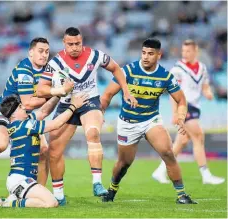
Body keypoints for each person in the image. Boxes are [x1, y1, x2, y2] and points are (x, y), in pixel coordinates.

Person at [35, 27, 137, 205]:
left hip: (89, 101)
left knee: (92, 133)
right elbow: (40, 88)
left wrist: (126, 91)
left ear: (82, 42)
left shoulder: (95, 56)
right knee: (54, 152)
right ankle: (59, 195)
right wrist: (59, 90)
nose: (74, 47)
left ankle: (97, 183)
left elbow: (116, 69)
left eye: (78, 43)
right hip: (67, 104)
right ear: (64, 43)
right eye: (70, 44)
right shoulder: (56, 62)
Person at [0, 37, 74, 187]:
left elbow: (41, 106)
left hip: (23, 115)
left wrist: (60, 92)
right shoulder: (24, 69)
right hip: (5, 112)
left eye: (46, 52)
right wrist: (57, 92)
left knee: (44, 150)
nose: (44, 55)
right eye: (40, 51)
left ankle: (38, 190)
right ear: (30, 53)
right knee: (0, 144)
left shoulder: (48, 72)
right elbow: (27, 102)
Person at [100, 38, 197, 204]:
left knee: (168, 153)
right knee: (124, 163)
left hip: (151, 120)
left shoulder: (165, 76)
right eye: (143, 53)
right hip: (128, 123)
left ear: (159, 55)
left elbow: (181, 100)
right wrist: (100, 112)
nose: (145, 57)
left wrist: (180, 117)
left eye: (150, 54)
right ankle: (112, 188)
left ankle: (182, 195)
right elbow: (107, 95)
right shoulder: (128, 71)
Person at [0, 92, 88, 208]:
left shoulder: (16, 125)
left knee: (47, 200)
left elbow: (43, 111)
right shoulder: (26, 125)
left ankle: (9, 199)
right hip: (21, 180)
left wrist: (58, 95)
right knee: (51, 203)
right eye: (20, 106)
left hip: (19, 179)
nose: (24, 107)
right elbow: (56, 124)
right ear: (13, 114)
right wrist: (73, 106)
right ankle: (11, 203)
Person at [152, 39, 225, 185]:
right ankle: (206, 174)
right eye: (183, 51)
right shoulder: (178, 69)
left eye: (188, 51)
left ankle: (160, 170)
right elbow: (173, 92)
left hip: (195, 106)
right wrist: (175, 113)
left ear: (195, 51)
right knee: (198, 136)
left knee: (182, 141)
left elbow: (204, 86)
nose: (185, 54)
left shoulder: (202, 68)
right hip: (183, 106)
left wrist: (208, 93)